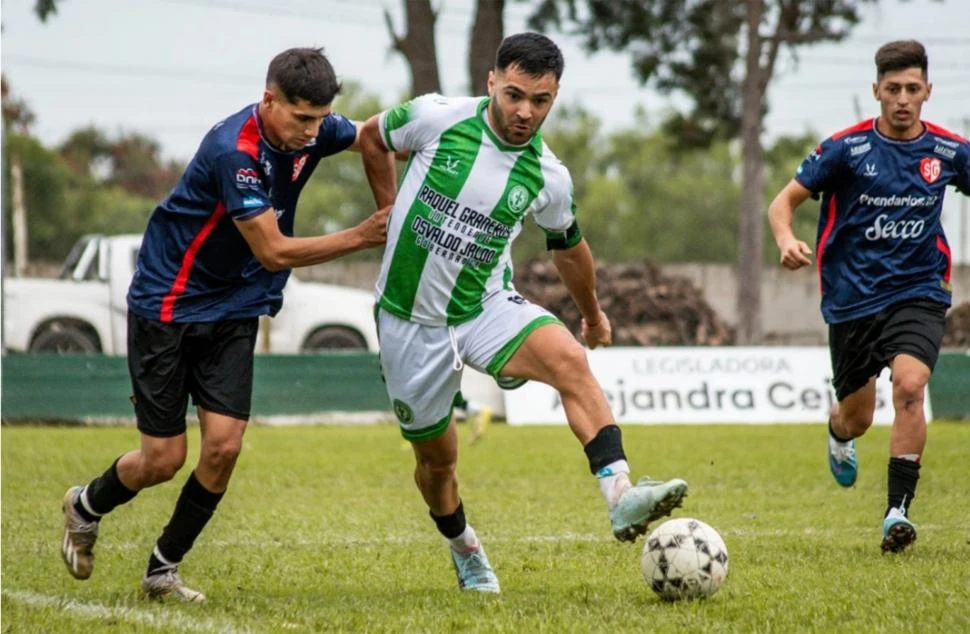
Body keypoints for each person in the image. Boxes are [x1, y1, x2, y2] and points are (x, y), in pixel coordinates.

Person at [357, 32, 688, 593]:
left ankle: (620, 495)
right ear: (491, 82)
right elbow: (370, 137)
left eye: (540, 101)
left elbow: (570, 249)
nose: (524, 112)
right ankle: (464, 547)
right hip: (409, 320)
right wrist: (387, 210)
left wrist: (592, 316)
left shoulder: (548, 175)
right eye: (514, 95)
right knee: (438, 466)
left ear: (554, 97)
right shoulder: (437, 118)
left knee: (570, 360)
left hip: (485, 305)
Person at [59, 47, 394, 601]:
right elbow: (274, 251)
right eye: (301, 118)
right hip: (168, 306)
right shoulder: (232, 152)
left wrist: (393, 206)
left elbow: (376, 136)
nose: (312, 133)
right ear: (269, 100)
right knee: (163, 460)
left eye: (319, 119)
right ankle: (85, 505)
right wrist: (365, 234)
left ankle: (162, 569)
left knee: (224, 447)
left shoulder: (316, 130)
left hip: (234, 307)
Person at [768, 40, 970, 553]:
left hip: (920, 289)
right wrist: (787, 239)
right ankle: (838, 433)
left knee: (910, 385)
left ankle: (896, 512)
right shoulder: (844, 149)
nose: (903, 99)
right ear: (876, 91)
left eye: (913, 89)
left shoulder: (948, 151)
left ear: (928, 91)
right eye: (893, 89)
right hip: (852, 298)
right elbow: (782, 203)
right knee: (856, 416)